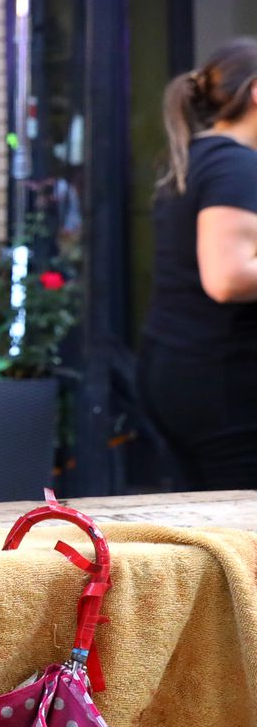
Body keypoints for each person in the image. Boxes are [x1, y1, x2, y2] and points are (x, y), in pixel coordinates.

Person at [142, 38, 257, 489]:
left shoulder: (204, 157)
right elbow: (227, 279)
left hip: (185, 370)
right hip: (221, 383)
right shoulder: (235, 166)